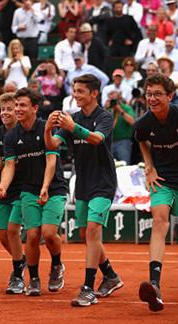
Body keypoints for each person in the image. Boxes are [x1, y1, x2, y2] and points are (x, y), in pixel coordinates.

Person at [45, 74, 123, 307]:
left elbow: (97, 139)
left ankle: (88, 288)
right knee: (84, 234)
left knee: (92, 230)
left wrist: (73, 126)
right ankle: (110, 275)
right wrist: (49, 129)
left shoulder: (104, 117)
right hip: (83, 183)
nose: (76, 95)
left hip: (104, 182)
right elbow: (52, 145)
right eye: (74, 91)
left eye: (80, 91)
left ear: (94, 94)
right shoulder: (73, 118)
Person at [134, 73, 178, 312]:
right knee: (159, 220)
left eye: (157, 94)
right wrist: (149, 167)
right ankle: (154, 284)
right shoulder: (144, 122)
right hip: (162, 180)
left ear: (170, 96)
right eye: (149, 94)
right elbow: (141, 140)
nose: (152, 99)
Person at [0, 88, 67, 297]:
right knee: (32, 235)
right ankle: (34, 279)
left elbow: (51, 160)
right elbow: (9, 166)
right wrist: (3, 187)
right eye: (16, 105)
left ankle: (57, 265)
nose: (18, 109)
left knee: (49, 233)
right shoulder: (11, 136)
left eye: (22, 105)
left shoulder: (46, 128)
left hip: (54, 188)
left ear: (35, 108)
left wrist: (45, 187)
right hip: (28, 190)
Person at [0, 92, 26, 293]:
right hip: (3, 190)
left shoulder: (23, 132)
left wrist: (10, 164)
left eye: (9, 109)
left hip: (23, 189)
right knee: (3, 236)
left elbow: (26, 163)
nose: (5, 113)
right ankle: (22, 260)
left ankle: (17, 274)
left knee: (12, 230)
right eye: (3, 109)